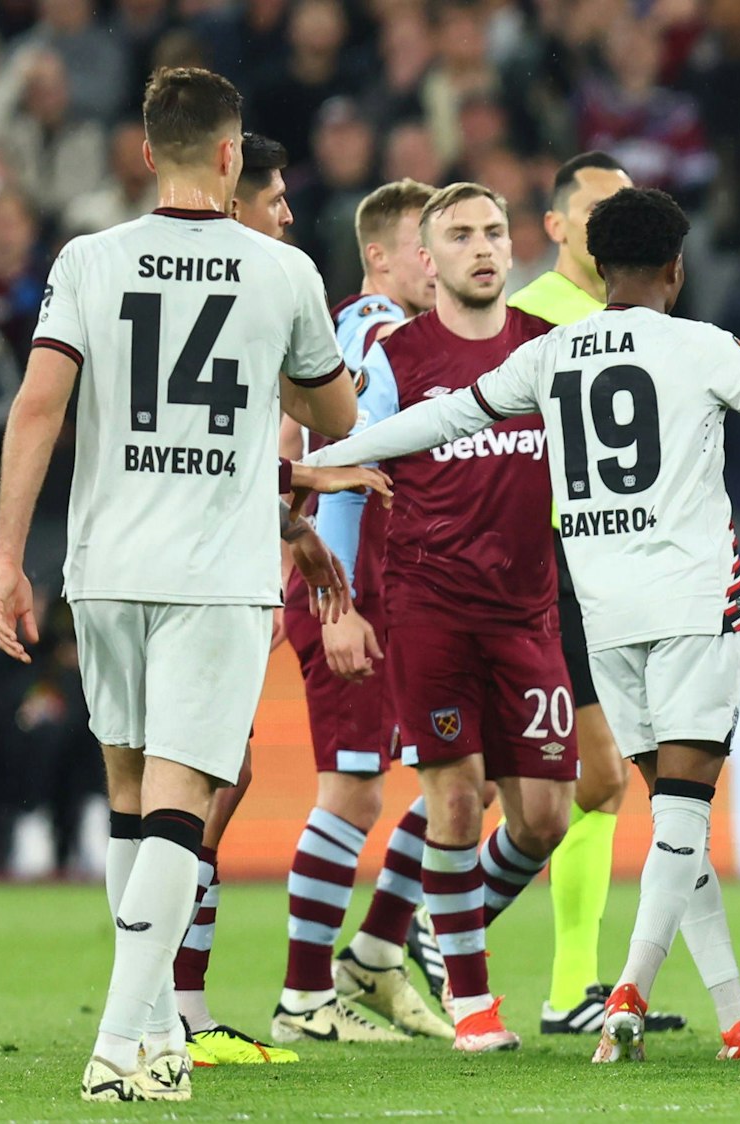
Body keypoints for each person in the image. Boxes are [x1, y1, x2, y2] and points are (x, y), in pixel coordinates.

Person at [302, 186, 740, 1065]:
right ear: (676, 269)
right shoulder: (701, 345)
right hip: (693, 603)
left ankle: (735, 1010)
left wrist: (317, 459)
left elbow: (435, 419)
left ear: (596, 270)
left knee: (676, 818)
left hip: (601, 616)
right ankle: (629, 987)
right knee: (682, 812)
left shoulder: (551, 355)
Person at [0, 66, 358, 1103]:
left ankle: (154, 1034)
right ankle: (117, 1044)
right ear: (234, 157)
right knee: (181, 805)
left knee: (127, 797)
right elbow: (335, 418)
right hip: (211, 570)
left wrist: (8, 557)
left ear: (147, 153)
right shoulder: (279, 271)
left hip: (103, 566)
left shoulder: (87, 259)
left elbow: (36, 407)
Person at [316, 181, 577, 1053]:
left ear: (513, 248)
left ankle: (429, 930)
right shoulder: (396, 359)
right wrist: (341, 605)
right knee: (455, 801)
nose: (482, 248)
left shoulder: (546, 352)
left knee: (544, 817)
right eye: (460, 235)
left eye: (494, 232)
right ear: (426, 260)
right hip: (430, 610)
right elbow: (350, 476)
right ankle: (474, 1005)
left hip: (528, 615)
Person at [505, 151, 685, 1040]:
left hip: (608, 572)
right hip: (544, 572)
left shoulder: (630, 318)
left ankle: (567, 981)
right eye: (599, 208)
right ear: (555, 227)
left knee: (599, 781)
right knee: (574, 779)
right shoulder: (529, 319)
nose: (617, 221)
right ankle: (424, 934)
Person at [272, 177, 453, 1046]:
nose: (441, 259)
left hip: (393, 595)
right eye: (427, 244)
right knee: (351, 793)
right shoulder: (382, 336)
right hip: (348, 593)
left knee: (468, 770)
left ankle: (376, 956)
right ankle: (306, 997)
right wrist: (333, 597)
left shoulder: (363, 333)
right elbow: (338, 464)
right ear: (379, 255)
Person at [170, 130, 316, 1068]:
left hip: (216, 557)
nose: (288, 215)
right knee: (198, 780)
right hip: (206, 563)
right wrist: (299, 501)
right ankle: (165, 1010)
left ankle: (171, 1003)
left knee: (209, 777)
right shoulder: (263, 293)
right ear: (234, 198)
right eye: (275, 198)